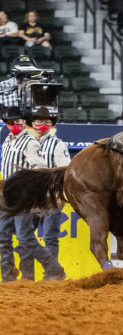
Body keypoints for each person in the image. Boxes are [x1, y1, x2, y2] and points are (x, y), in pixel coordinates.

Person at [0, 106, 66, 281]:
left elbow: (39, 168)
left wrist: (31, 189)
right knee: (3, 236)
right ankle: (8, 278)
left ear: (24, 122)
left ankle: (53, 267)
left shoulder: (29, 142)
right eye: (10, 121)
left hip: (22, 195)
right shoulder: (7, 141)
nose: (14, 124)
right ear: (6, 124)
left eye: (18, 121)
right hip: (6, 194)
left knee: (25, 237)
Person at [30, 107, 71, 262]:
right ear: (33, 123)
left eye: (47, 121)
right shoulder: (26, 143)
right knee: (24, 236)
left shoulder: (58, 144)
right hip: (30, 196)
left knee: (50, 237)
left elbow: (66, 169)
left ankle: (51, 273)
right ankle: (32, 271)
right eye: (39, 121)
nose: (43, 124)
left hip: (51, 197)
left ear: (52, 125)